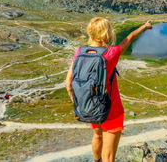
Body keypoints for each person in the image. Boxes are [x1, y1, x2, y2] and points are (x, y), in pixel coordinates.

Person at [65, 17, 152, 162]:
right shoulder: (110, 54)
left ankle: (96, 160)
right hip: (112, 110)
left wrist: (78, 102)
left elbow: (68, 83)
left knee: (97, 135)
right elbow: (129, 38)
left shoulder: (79, 51)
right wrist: (144, 27)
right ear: (104, 34)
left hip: (90, 106)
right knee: (109, 157)